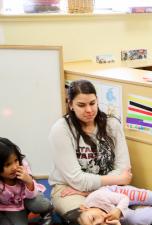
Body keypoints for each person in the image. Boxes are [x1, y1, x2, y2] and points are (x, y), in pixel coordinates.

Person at [48, 80, 132, 217]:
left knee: (137, 210)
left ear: (98, 100)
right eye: (81, 105)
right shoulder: (60, 130)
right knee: (88, 219)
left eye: (92, 103)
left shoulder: (112, 124)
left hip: (109, 187)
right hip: (69, 189)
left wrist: (90, 191)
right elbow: (77, 180)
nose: (89, 110)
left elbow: (124, 168)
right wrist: (118, 180)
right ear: (70, 104)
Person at [0, 138, 54, 225]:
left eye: (16, 161)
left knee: (39, 204)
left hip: (28, 198)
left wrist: (28, 181)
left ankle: (47, 210)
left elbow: (32, 195)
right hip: (11, 206)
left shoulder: (23, 167)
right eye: (8, 165)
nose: (14, 167)